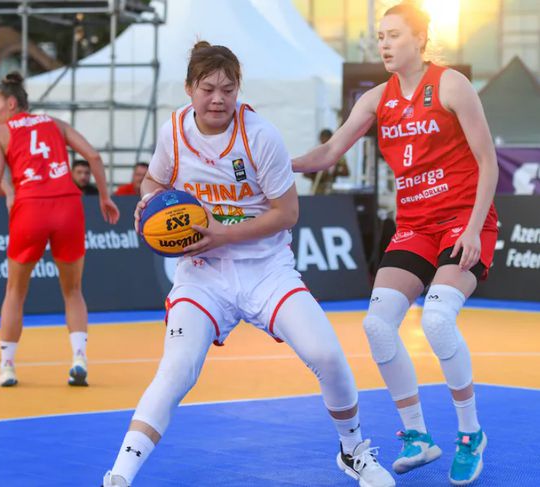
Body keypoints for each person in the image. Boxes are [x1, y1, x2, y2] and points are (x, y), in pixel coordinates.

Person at [102, 41, 395, 487]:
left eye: (228, 89)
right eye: (208, 89)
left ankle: (352, 450)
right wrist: (148, 202)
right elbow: (154, 181)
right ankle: (120, 474)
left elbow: (287, 213)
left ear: (239, 89)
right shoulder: (173, 131)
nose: (218, 99)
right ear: (189, 89)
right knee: (176, 370)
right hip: (202, 273)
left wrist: (222, 232)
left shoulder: (260, 135)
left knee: (327, 355)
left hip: (265, 269)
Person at [293, 4, 498, 485]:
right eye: (380, 36)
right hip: (415, 225)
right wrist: (275, 163)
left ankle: (471, 434)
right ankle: (417, 435)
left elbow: (488, 161)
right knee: (377, 325)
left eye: (393, 35)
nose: (383, 44)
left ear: (420, 39)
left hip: (463, 220)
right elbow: (330, 152)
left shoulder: (451, 85)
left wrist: (473, 228)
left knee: (437, 319)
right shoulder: (376, 99)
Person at [0, 72, 120, 387]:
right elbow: (93, 156)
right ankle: (79, 358)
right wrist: (105, 196)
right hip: (67, 206)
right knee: (73, 291)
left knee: (15, 292)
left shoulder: (0, 135)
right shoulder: (55, 123)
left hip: (30, 207)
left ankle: (7, 366)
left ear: (11, 103)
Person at [303, 129, 350, 194]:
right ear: (320, 139)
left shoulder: (338, 153)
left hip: (331, 190)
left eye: (328, 139)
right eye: (323, 139)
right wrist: (316, 173)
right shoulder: (314, 153)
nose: (325, 142)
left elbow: (346, 172)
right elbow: (305, 173)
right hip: (317, 190)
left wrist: (333, 171)